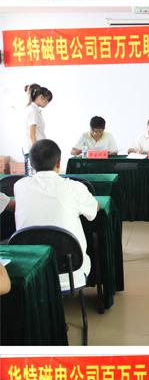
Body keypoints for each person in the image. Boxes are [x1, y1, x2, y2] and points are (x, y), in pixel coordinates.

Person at [14, 139, 98, 291]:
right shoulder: (74, 188)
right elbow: (93, 211)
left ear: (31, 164)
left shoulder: (19, 186)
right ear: (59, 163)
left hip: (30, 278)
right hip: (70, 276)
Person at [23, 84, 53, 168]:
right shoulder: (32, 110)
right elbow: (32, 134)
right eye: (47, 100)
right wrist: (36, 151)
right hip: (33, 150)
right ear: (41, 97)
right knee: (33, 174)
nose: (47, 103)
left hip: (37, 149)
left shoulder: (35, 110)